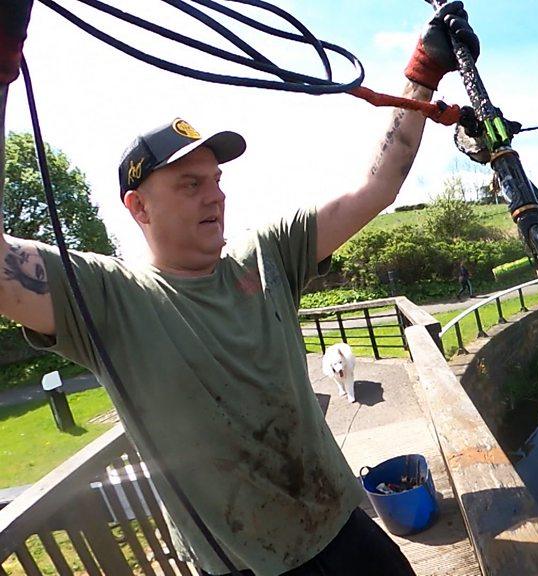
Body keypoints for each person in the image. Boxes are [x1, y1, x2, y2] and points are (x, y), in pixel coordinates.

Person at [0, 2, 479, 575]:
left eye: (218, 181)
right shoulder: (103, 298)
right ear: (138, 206)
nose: (216, 196)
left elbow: (377, 186)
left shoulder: (268, 255)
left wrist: (422, 72)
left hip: (345, 531)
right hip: (246, 566)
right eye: (191, 184)